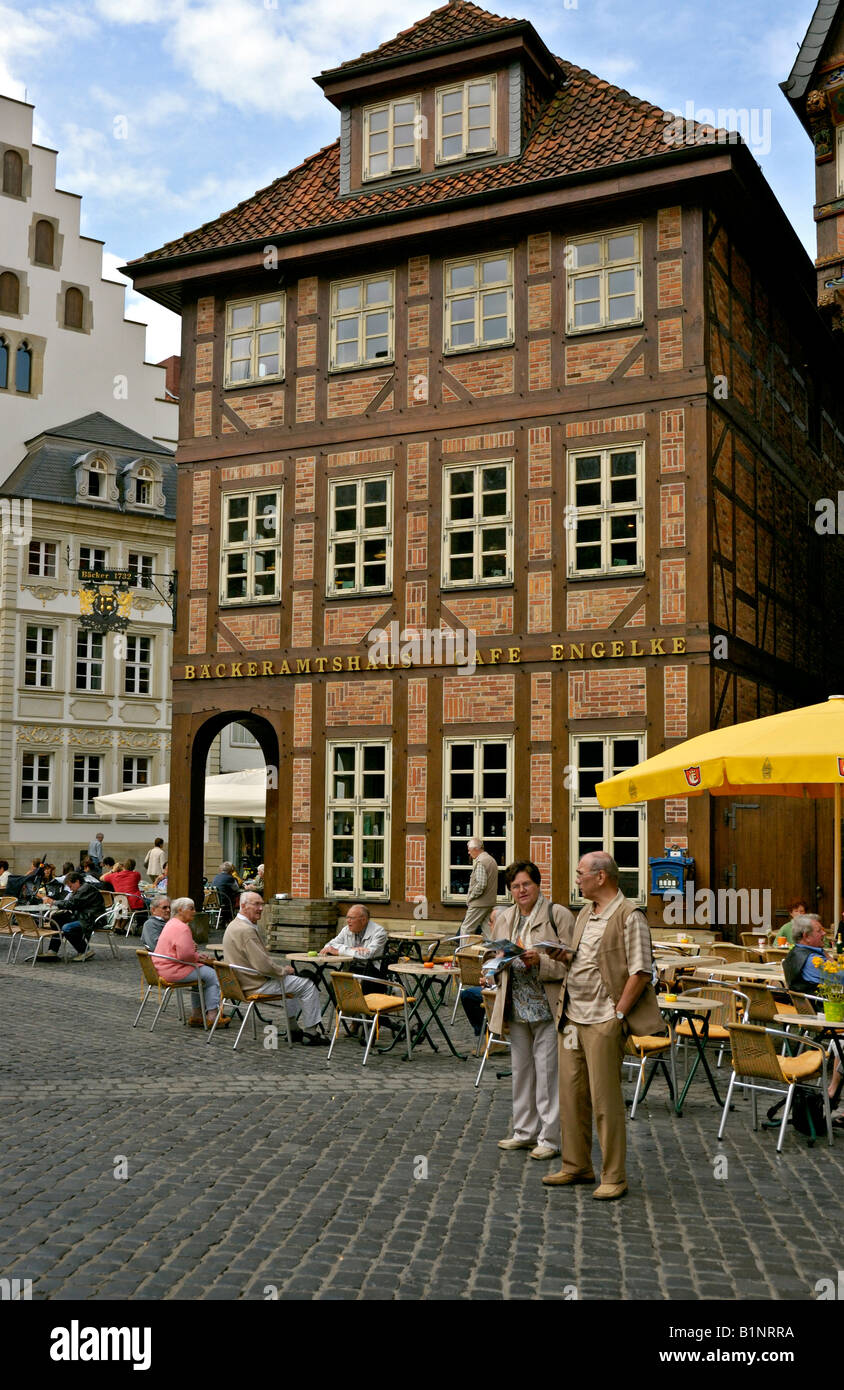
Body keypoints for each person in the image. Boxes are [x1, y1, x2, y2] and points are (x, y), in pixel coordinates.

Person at [543, 851, 664, 1201]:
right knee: (570, 1096)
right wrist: (561, 955)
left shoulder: (630, 916)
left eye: (581, 873)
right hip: (571, 1018)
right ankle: (576, 1164)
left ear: (601, 877)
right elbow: (581, 959)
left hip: (603, 1019)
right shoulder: (585, 913)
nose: (577, 879)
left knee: (604, 1101)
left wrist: (619, 1015)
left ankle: (614, 1175)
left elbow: (641, 971)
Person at [485, 862, 574, 1161]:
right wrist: (497, 962)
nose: (521, 891)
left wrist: (541, 962)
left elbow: (574, 962)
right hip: (515, 1003)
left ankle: (549, 1138)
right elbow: (493, 954)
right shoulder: (506, 916)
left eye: (526, 885)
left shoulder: (557, 914)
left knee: (547, 1073)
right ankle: (523, 1132)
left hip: (547, 1004)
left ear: (537, 885)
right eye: (515, 887)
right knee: (522, 1072)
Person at [223, 891, 328, 1045]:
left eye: (262, 904)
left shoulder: (234, 925)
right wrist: (283, 970)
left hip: (239, 983)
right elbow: (263, 965)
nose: (260, 908)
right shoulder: (246, 930)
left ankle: (293, 1029)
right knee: (307, 985)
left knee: (291, 982)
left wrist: (281, 972)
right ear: (243, 906)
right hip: (254, 985)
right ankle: (311, 1033)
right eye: (256, 904)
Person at [152, 897, 223, 1028]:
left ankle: (197, 1015)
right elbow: (185, 955)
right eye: (191, 909)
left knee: (202, 977)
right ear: (180, 910)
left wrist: (196, 956)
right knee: (213, 975)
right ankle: (213, 1016)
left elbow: (183, 953)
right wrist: (199, 958)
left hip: (163, 967)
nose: (194, 912)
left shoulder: (171, 923)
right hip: (173, 970)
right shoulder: (182, 928)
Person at [47, 870, 105, 961]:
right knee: (56, 919)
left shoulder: (85, 889)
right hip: (83, 915)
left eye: (70, 886)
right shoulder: (82, 889)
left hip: (91, 919)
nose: (70, 889)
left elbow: (72, 904)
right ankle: (52, 950)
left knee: (67, 928)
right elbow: (72, 903)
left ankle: (84, 951)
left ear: (77, 882)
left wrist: (54, 902)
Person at [460, 838, 499, 941]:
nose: (468, 853)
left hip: (479, 903)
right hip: (489, 902)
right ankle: (496, 953)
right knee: (488, 931)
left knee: (466, 929)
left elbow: (481, 885)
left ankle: (463, 955)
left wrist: (471, 897)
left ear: (475, 849)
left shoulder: (481, 861)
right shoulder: (491, 859)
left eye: (469, 850)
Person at [784, 916, 833, 992]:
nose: (824, 933)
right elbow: (842, 977)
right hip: (819, 1003)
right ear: (806, 937)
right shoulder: (813, 960)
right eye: (819, 931)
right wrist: (829, 958)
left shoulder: (795, 951)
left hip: (804, 1002)